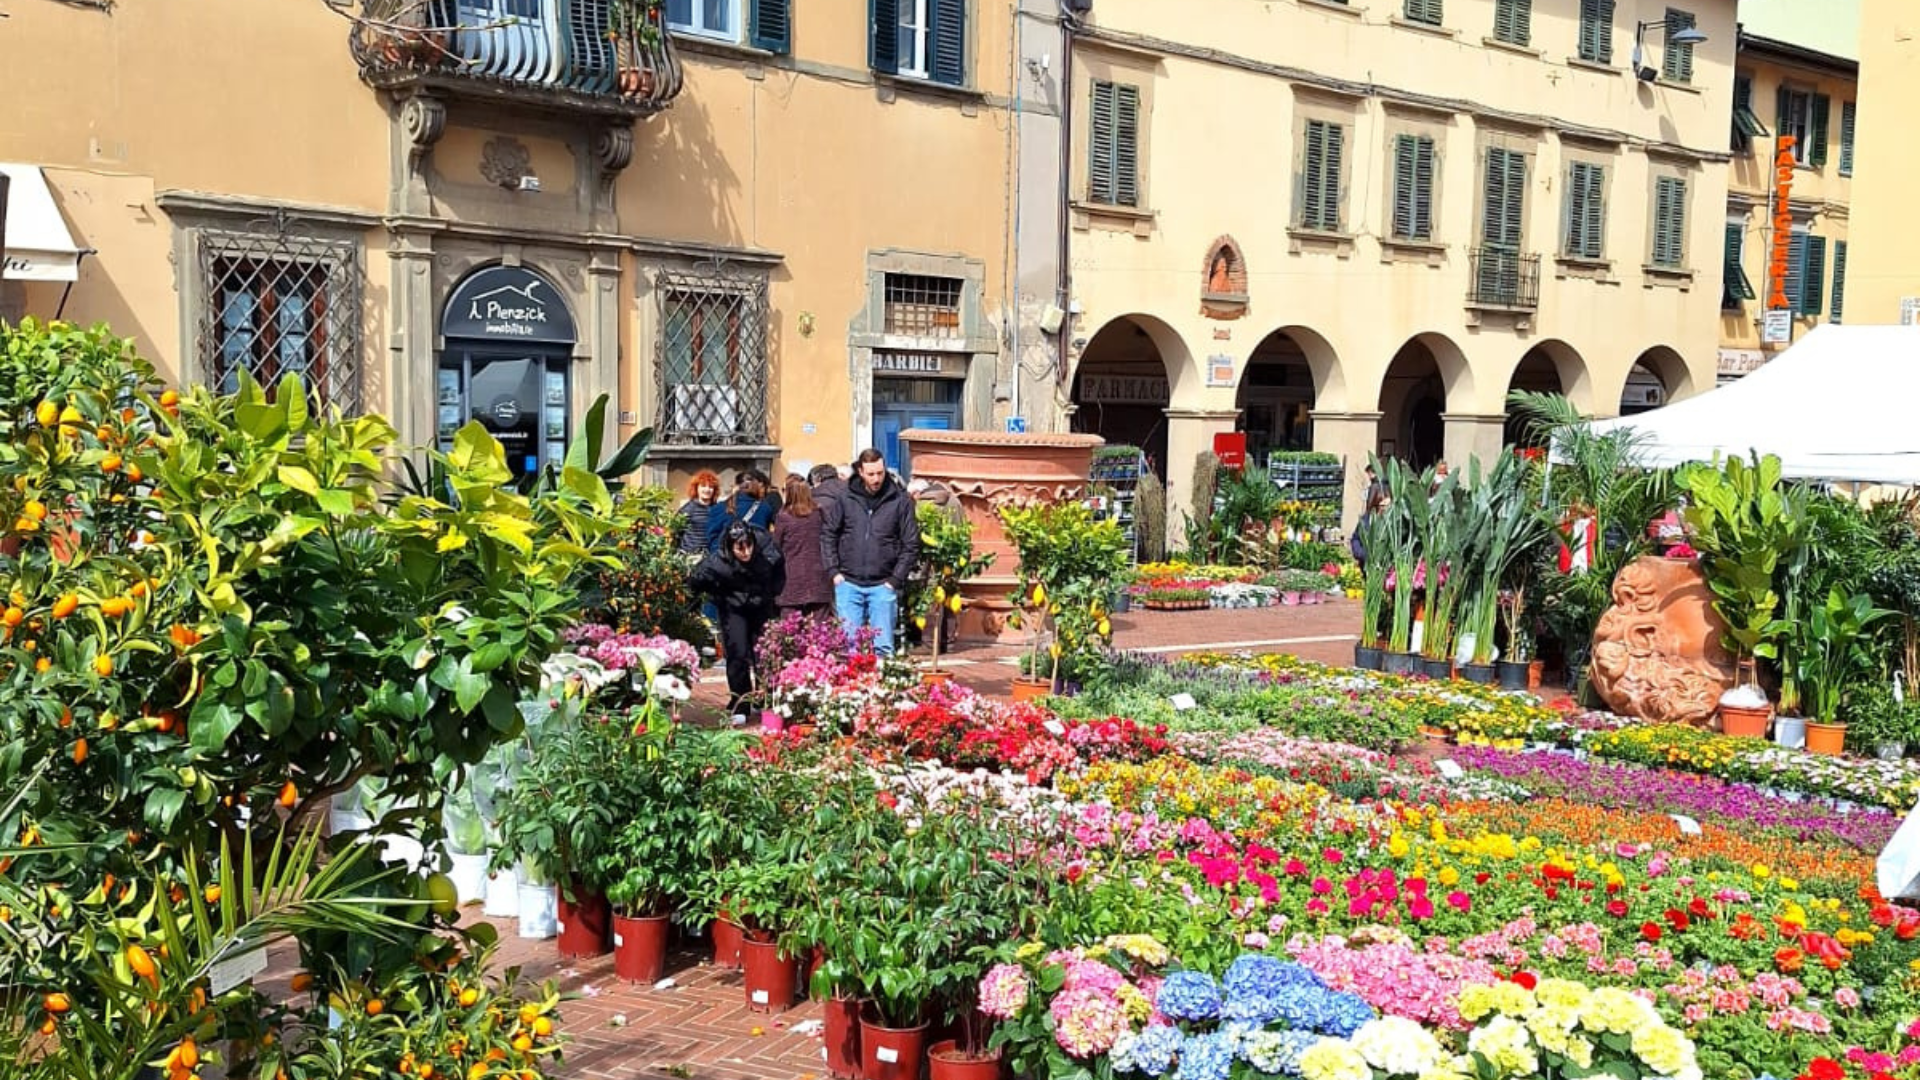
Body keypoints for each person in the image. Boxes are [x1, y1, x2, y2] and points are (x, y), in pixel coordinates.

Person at [821, 448, 921, 656]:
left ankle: (884, 687)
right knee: (849, 648)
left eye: (880, 473)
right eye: (871, 474)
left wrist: (895, 579)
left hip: (883, 585)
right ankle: (852, 688)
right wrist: (834, 572)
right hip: (848, 582)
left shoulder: (900, 500)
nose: (876, 479)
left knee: (884, 647)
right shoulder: (846, 498)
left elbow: (911, 543)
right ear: (860, 471)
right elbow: (829, 534)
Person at [690, 522, 786, 723]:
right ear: (730, 548)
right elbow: (695, 581)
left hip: (761, 604)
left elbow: (779, 572)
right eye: (740, 548)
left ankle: (764, 698)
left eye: (749, 546)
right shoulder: (717, 563)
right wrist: (713, 594)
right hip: (733, 608)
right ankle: (741, 702)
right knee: (737, 653)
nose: (746, 552)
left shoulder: (767, 554)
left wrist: (773, 596)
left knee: (764, 653)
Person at [773, 476, 833, 616]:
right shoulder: (819, 514)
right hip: (819, 576)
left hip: (791, 575)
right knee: (819, 629)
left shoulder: (784, 517)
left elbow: (776, 544)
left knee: (791, 626)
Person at [707, 469, 775, 551]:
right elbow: (765, 538)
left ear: (736, 486)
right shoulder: (765, 508)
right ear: (758, 486)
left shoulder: (719, 508)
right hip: (754, 558)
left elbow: (712, 539)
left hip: (726, 559)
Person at [678, 470, 722, 556]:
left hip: (711, 556)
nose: (707, 489)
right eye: (703, 486)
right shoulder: (688, 509)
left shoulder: (718, 509)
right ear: (696, 488)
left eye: (710, 487)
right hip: (691, 556)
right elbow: (677, 531)